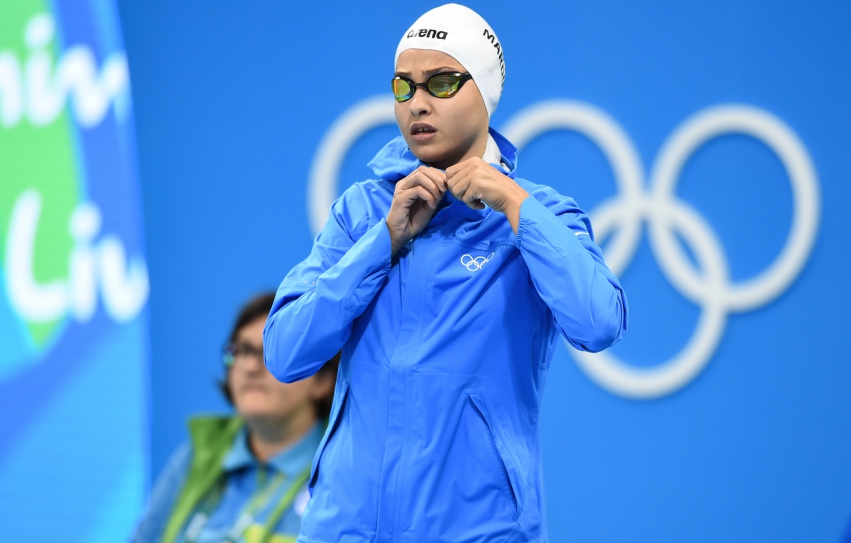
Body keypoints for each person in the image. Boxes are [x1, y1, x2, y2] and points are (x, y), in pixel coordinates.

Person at [264, 4, 628, 542]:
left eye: (441, 82)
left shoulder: (538, 215)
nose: (419, 103)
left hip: (478, 530)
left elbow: (598, 321)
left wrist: (512, 200)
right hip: (346, 529)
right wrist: (382, 243)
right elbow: (285, 353)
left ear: (484, 92)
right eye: (405, 87)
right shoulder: (362, 212)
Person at [133, 293, 338, 543]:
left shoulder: (341, 470)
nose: (251, 367)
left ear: (323, 380)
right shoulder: (199, 454)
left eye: (272, 352)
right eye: (242, 350)